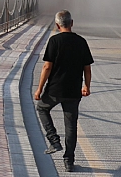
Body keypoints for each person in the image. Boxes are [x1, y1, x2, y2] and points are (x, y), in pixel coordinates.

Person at [35, 10, 94, 172]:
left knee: (42, 108)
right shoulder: (81, 41)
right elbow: (87, 68)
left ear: (57, 25)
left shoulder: (54, 41)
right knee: (71, 126)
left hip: (54, 89)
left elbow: (47, 66)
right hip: (73, 91)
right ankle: (69, 161)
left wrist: (39, 88)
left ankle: (54, 140)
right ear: (72, 23)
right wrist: (86, 86)